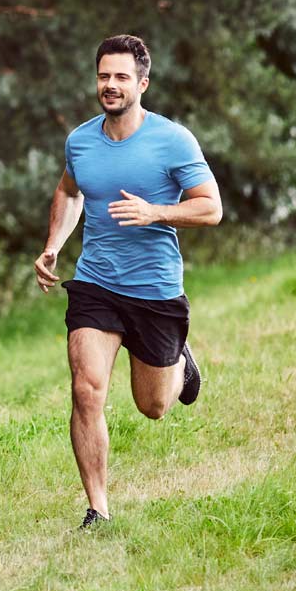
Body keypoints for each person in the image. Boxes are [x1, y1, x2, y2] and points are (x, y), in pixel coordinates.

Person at [33, 34, 222, 530]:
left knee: (153, 406)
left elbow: (211, 207)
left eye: (120, 77)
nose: (110, 85)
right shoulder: (81, 141)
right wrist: (53, 244)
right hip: (96, 283)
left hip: (155, 289)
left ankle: (179, 359)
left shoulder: (172, 141)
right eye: (103, 76)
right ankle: (98, 509)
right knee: (86, 389)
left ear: (142, 82)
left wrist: (155, 211)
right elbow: (69, 192)